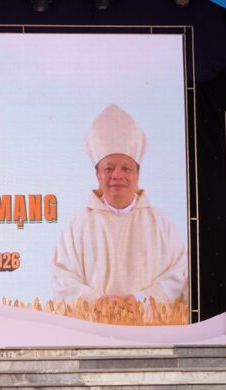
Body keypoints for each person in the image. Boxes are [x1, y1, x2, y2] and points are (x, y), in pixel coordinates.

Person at [52, 104, 187, 308]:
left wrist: (141, 300)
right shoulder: (78, 225)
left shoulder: (162, 224)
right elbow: (62, 278)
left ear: (137, 174)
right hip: (93, 324)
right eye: (109, 168)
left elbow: (179, 273)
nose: (117, 175)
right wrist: (99, 301)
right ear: (98, 174)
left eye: (126, 168)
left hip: (149, 326)